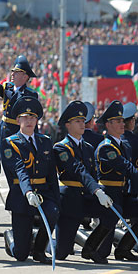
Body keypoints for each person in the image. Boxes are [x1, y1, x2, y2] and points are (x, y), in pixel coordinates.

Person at [53, 101, 117, 264]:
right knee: (62, 253)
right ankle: (31, 239)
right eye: (77, 121)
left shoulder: (88, 147)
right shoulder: (61, 148)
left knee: (112, 211)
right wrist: (97, 190)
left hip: (86, 198)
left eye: (83, 121)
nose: (82, 124)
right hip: (69, 200)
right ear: (68, 125)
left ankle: (90, 248)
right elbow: (79, 170)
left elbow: (93, 174)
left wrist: (100, 190)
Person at [1, 97, 60, 263]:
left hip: (43, 192)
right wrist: (28, 192)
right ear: (18, 119)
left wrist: (56, 198)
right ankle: (10, 236)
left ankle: (40, 250)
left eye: (32, 117)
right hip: (22, 194)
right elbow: (19, 169)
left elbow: (51, 173)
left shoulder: (45, 141)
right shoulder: (9, 143)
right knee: (20, 255)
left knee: (53, 212)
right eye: (25, 117)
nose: (29, 121)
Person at [94, 101, 138, 261]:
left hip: (122, 193)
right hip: (109, 193)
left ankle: (123, 249)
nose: (122, 124)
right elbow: (127, 168)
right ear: (108, 124)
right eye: (118, 121)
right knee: (102, 251)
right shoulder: (107, 147)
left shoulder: (122, 145)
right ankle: (89, 247)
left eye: (122, 120)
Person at [0, 55, 38, 146]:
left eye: (16, 72)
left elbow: (33, 118)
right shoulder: (7, 88)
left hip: (17, 133)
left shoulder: (30, 95)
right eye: (12, 71)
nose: (12, 74)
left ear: (25, 77)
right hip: (3, 132)